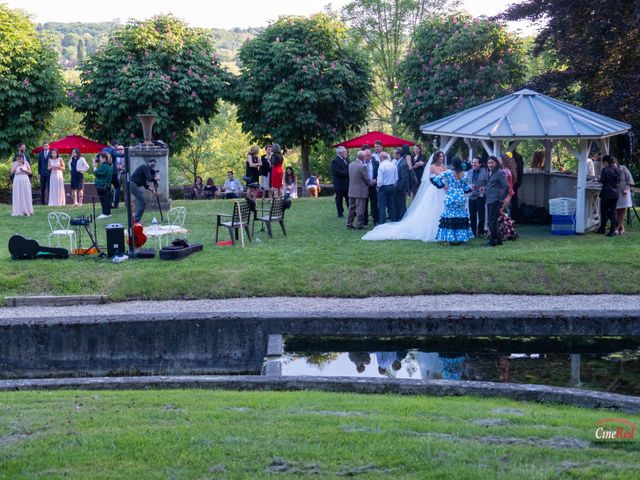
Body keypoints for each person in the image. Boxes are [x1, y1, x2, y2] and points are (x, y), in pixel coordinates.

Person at [362, 150, 446, 242]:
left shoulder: (444, 167)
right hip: (434, 189)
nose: (441, 158)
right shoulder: (432, 167)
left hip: (443, 190)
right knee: (431, 208)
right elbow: (441, 175)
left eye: (442, 156)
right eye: (440, 156)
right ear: (436, 158)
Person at [431, 157, 474, 244]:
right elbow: (466, 188)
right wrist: (471, 187)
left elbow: (435, 179)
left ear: (453, 164)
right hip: (460, 197)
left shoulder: (448, 172)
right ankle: (460, 238)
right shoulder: (465, 174)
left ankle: (448, 238)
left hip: (450, 196)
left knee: (449, 216)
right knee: (460, 217)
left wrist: (443, 185)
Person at [484, 156, 509, 247]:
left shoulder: (499, 172)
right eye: (489, 163)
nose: (490, 164)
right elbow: (492, 185)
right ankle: (498, 240)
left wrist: (501, 198)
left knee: (492, 221)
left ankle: (493, 240)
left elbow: (506, 186)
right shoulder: (490, 172)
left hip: (495, 199)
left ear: (496, 163)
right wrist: (485, 189)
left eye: (492, 163)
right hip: (489, 198)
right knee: (492, 220)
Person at [346, 150, 370, 230]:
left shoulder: (350, 165)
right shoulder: (362, 166)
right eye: (366, 156)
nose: (367, 157)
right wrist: (371, 182)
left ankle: (349, 224)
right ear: (363, 157)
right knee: (360, 209)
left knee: (351, 208)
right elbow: (366, 179)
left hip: (352, 190)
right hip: (360, 190)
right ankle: (359, 224)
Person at [130, 158, 159, 223]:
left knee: (141, 202)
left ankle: (136, 219)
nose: (152, 166)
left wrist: (153, 191)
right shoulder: (145, 167)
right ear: (149, 163)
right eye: (152, 164)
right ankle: (136, 220)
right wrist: (155, 178)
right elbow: (150, 178)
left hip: (133, 185)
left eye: (154, 165)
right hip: (132, 185)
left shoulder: (145, 171)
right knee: (142, 202)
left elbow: (146, 185)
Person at [597, 155, 620, 236]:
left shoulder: (605, 170)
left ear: (606, 162)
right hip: (615, 193)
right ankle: (612, 231)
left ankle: (602, 228)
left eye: (603, 162)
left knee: (603, 211)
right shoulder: (617, 169)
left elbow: (602, 181)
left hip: (606, 193)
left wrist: (599, 179)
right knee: (613, 212)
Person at [498, 154, 519, 241]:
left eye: (499, 160)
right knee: (503, 214)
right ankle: (504, 232)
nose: (498, 161)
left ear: (504, 161)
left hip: (506, 196)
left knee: (504, 215)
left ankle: (507, 233)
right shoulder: (503, 170)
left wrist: (508, 197)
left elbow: (509, 186)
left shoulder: (506, 171)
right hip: (503, 195)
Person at [468, 156, 488, 236]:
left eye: (475, 162)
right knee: (472, 215)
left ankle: (481, 231)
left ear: (480, 164)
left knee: (481, 215)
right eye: (473, 162)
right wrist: (469, 186)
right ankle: (473, 231)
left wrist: (484, 188)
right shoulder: (468, 172)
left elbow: (489, 183)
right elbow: (465, 183)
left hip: (480, 196)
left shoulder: (486, 171)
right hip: (471, 196)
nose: (473, 164)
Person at [614, 159, 635, 235]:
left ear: (617, 163)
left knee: (622, 211)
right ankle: (621, 227)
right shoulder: (612, 170)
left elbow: (630, 180)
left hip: (624, 193)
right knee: (615, 211)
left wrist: (626, 189)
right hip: (615, 193)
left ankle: (617, 229)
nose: (613, 166)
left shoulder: (624, 168)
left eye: (614, 164)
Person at [376, 152, 397, 225]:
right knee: (391, 205)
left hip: (383, 187)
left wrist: (378, 186)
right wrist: (393, 184)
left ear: (381, 157)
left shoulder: (381, 165)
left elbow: (380, 179)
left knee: (382, 205)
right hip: (391, 186)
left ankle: (382, 222)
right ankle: (393, 220)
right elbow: (396, 177)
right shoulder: (393, 165)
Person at [93, 152, 113, 220]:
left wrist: (94, 166)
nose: (99, 159)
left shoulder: (104, 166)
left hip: (102, 186)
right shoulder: (109, 166)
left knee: (103, 200)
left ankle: (105, 213)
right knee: (106, 200)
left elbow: (96, 173)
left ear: (104, 159)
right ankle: (107, 213)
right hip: (107, 186)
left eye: (100, 158)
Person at [331, 146, 350, 217]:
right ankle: (340, 213)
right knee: (339, 199)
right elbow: (337, 172)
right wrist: (348, 172)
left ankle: (351, 212)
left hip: (347, 183)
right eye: (344, 151)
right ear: (340, 152)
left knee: (348, 198)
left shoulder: (346, 159)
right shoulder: (335, 161)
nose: (346, 153)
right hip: (339, 184)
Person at [362, 148, 379, 226]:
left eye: (369, 155)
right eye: (366, 156)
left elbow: (379, 173)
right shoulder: (361, 163)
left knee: (374, 203)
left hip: (373, 186)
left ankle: (376, 220)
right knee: (364, 204)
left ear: (371, 155)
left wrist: (376, 179)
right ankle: (365, 220)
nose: (367, 157)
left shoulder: (376, 163)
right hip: (364, 186)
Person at [393, 147, 411, 221]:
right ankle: (399, 217)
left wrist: (398, 187)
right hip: (398, 188)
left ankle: (402, 218)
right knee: (398, 204)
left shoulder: (403, 164)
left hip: (400, 189)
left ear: (398, 155)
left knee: (401, 204)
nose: (393, 155)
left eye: (394, 153)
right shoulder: (398, 162)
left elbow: (405, 178)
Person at [37, 141, 52, 205]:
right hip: (42, 173)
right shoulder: (40, 153)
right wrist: (39, 173)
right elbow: (39, 164)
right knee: (42, 188)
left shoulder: (51, 153)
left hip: (50, 173)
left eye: (46, 146)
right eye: (44, 146)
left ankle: (50, 202)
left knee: (49, 187)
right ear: (42, 147)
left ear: (49, 146)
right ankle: (42, 202)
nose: (45, 147)